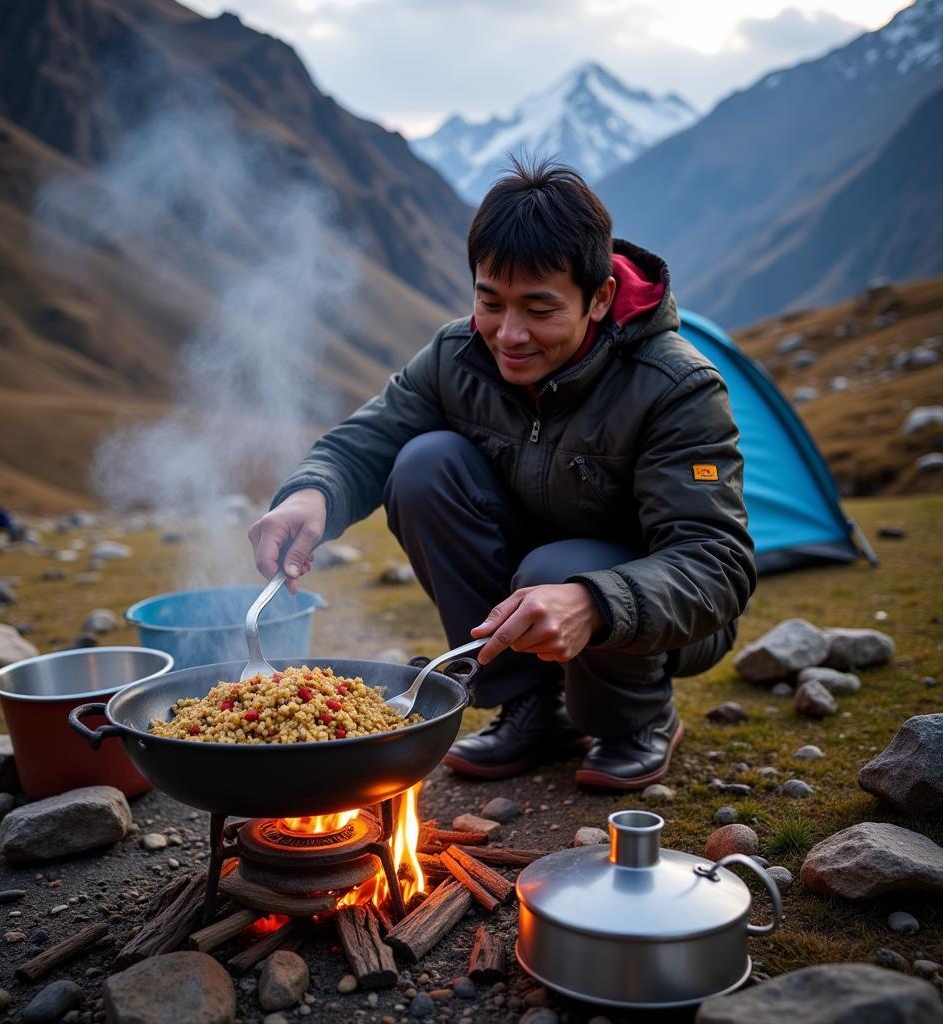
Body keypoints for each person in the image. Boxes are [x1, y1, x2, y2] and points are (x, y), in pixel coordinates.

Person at [249, 159, 756, 791]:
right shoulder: (457, 354)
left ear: (598, 298)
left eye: (539, 310)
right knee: (421, 465)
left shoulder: (676, 386)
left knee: (557, 569)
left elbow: (717, 563)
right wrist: (310, 495)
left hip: (658, 615)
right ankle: (533, 709)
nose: (509, 335)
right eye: (490, 302)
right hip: (532, 574)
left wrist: (594, 601)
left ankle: (636, 721)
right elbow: (370, 440)